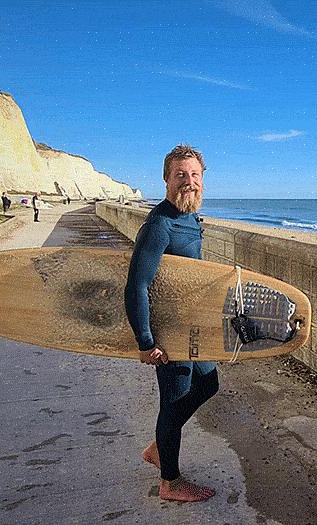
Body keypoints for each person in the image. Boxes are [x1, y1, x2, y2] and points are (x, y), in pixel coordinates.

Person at [124, 144, 218, 502]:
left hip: (193, 327)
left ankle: (158, 448)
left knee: (209, 384)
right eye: (180, 175)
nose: (188, 182)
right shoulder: (159, 225)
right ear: (166, 179)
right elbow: (137, 284)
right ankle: (170, 482)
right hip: (169, 333)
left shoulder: (190, 218)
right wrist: (146, 341)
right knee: (173, 400)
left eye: (194, 175)